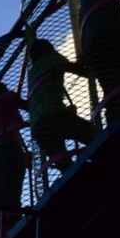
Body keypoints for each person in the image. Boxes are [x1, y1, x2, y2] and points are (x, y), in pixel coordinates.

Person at [27, 37, 94, 172]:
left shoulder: (31, 73)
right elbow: (80, 70)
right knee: (93, 136)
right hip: (55, 115)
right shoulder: (51, 58)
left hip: (38, 128)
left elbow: (42, 99)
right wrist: (89, 64)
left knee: (66, 166)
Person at [0, 74, 29, 238]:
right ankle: (14, 224)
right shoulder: (5, 97)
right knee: (11, 191)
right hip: (9, 149)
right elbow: (28, 106)